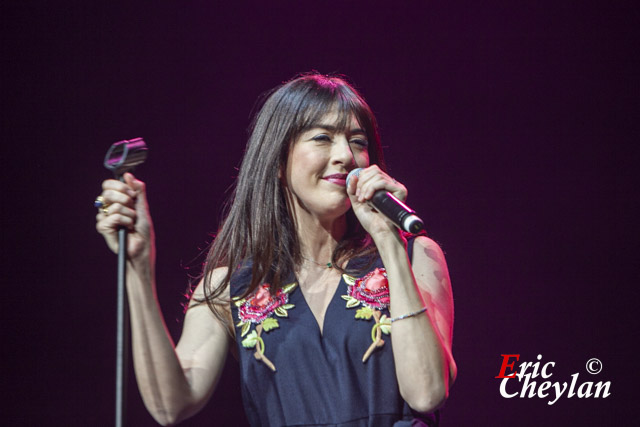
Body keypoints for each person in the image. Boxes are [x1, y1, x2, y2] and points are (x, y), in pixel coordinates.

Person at [95, 72, 456, 426]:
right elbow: (169, 405)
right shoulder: (234, 287)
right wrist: (137, 268)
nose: (346, 155)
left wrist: (388, 241)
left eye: (358, 141)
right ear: (279, 161)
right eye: (322, 138)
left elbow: (426, 393)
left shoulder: (415, 257)